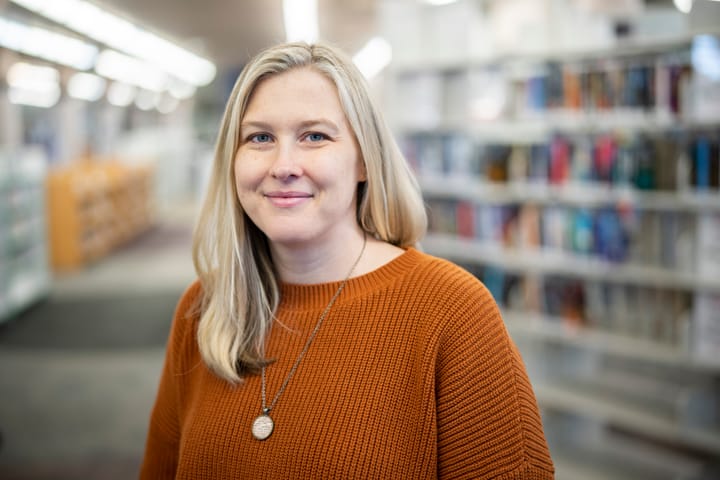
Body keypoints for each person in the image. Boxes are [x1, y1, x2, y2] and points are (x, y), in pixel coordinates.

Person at [140, 42, 555, 479]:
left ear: (363, 160)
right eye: (259, 137)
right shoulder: (205, 307)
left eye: (314, 136)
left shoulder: (451, 310)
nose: (284, 165)